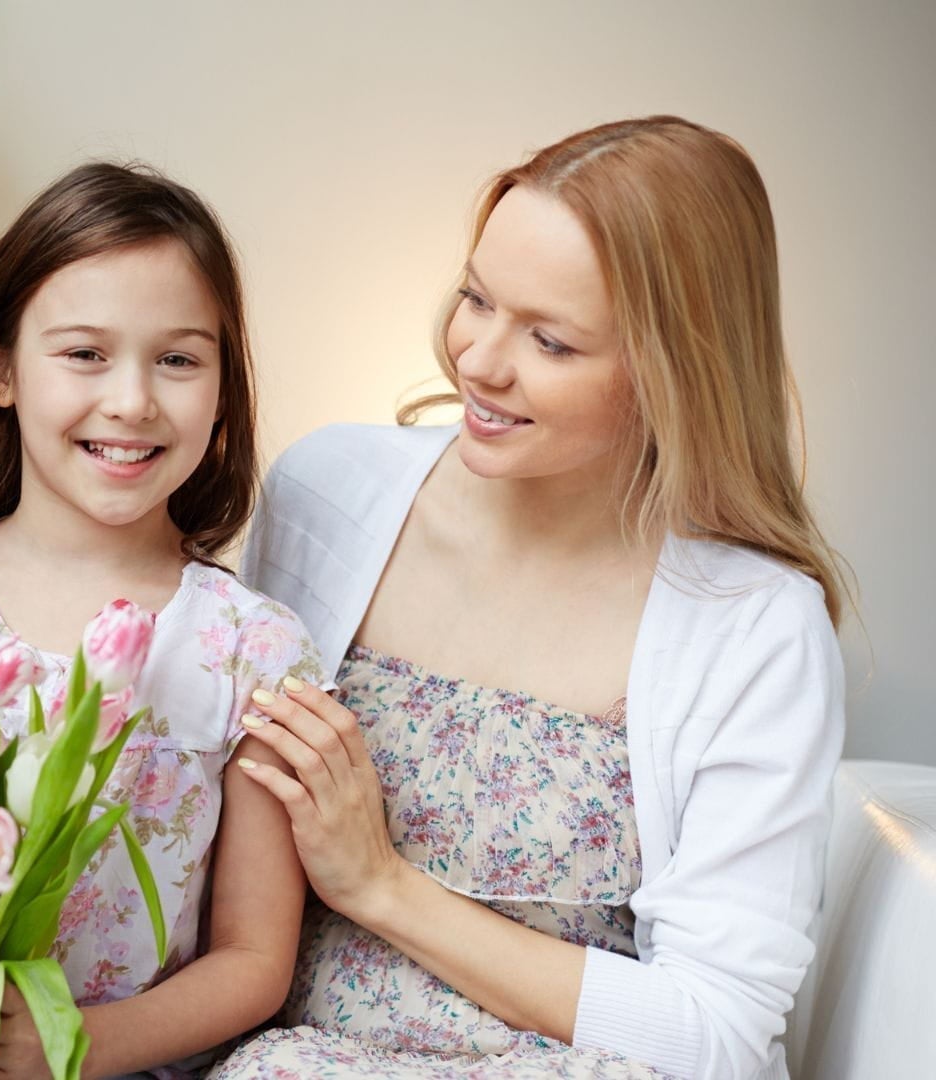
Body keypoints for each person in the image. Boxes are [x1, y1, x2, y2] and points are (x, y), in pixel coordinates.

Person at [217, 116, 847, 1080]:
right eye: (476, 298)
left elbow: (714, 1036)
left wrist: (382, 886)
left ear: (674, 373)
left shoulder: (755, 624)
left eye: (551, 341)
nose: (478, 360)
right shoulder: (327, 492)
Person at [0, 162, 323, 1078]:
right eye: (84, 354)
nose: (132, 400)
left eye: (179, 360)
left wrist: (72, 1049)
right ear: (1, 369)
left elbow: (253, 959)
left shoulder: (255, 649)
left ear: (224, 385)